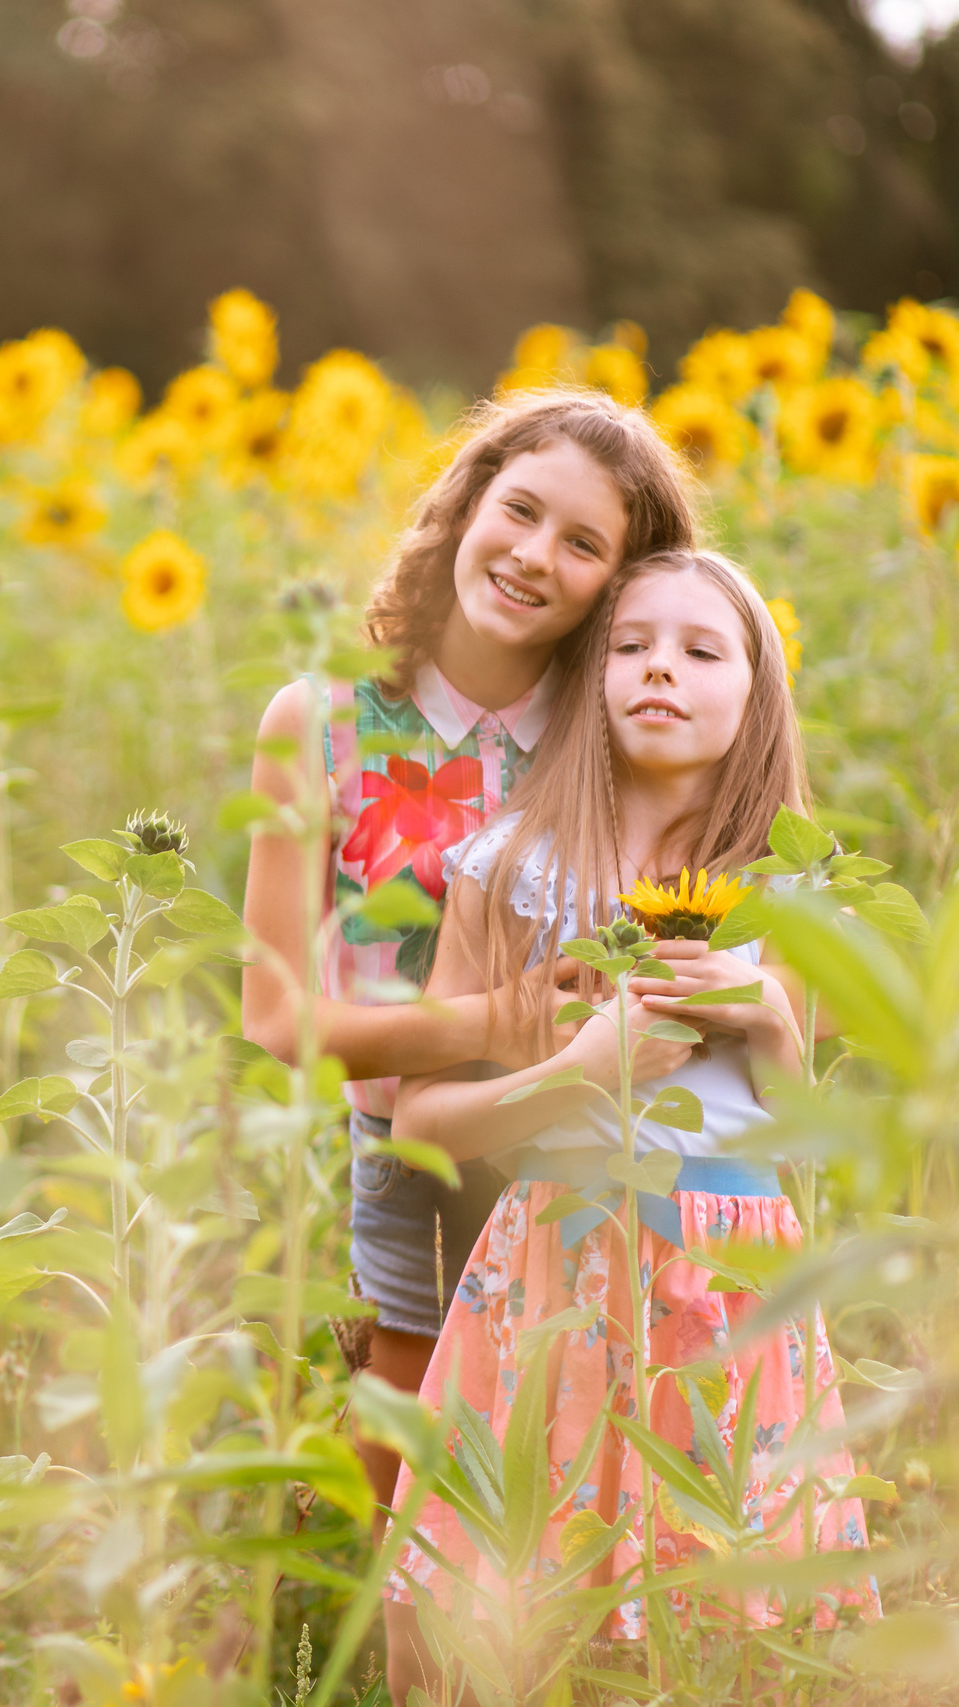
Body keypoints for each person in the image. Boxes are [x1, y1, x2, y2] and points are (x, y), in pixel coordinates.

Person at [384, 548, 875, 1695]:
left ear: (757, 696)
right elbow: (422, 1121)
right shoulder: (513, 869)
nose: (661, 669)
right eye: (631, 645)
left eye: (701, 651)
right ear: (587, 677)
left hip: (728, 1275)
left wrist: (769, 1019)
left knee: (717, 1608)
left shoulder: (791, 892)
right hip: (555, 1271)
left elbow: (809, 1144)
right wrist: (576, 1075)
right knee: (499, 1603)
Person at [240, 389, 704, 1520]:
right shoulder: (323, 724)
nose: (535, 555)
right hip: (411, 1157)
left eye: (584, 544)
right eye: (522, 510)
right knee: (405, 1445)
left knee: (580, 1448)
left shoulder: (612, 727)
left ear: (621, 586)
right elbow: (276, 1021)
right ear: (466, 503)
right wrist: (501, 1019)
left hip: (589, 1141)